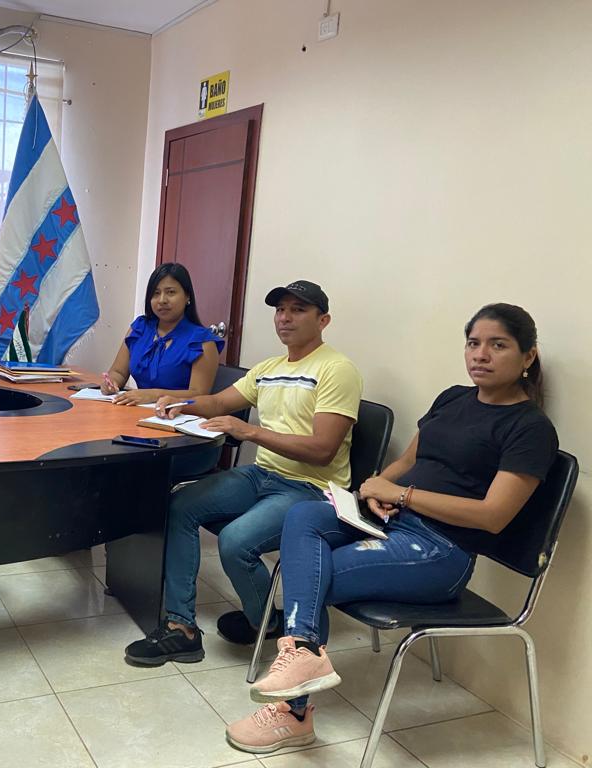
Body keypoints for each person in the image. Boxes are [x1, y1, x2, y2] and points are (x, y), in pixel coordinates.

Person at [226, 303, 558, 754]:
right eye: (473, 343)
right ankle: (303, 656)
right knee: (303, 515)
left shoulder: (530, 428)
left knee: (314, 575)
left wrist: (402, 495)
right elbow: (411, 460)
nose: (480, 354)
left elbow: (492, 515)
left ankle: (294, 710)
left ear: (528, 356)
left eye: (498, 345)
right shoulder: (453, 398)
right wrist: (375, 487)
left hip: (440, 551)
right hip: (391, 521)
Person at [124, 280, 362, 665]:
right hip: (263, 475)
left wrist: (250, 431)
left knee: (236, 542)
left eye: (298, 310)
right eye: (280, 310)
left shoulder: (337, 369)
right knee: (179, 505)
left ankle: (267, 621)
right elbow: (220, 401)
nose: (285, 318)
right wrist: (180, 404)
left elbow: (322, 450)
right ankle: (181, 628)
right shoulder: (269, 368)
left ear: (324, 320)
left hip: (310, 490)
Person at [100, 262, 222, 406]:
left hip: (177, 415)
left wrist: (154, 395)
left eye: (171, 292)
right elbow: (118, 372)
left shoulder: (202, 341)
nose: (162, 300)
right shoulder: (139, 328)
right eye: (156, 293)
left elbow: (199, 394)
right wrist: (111, 383)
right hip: (137, 411)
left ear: (187, 296)